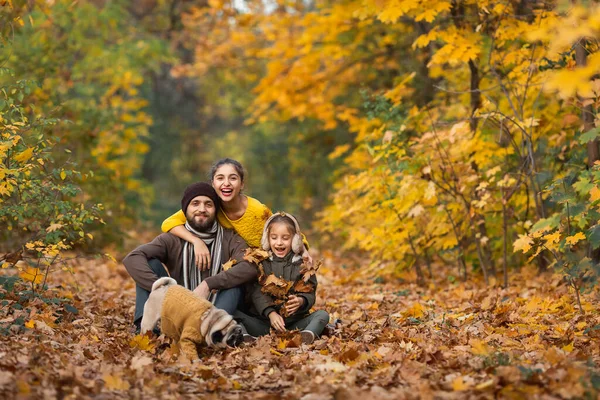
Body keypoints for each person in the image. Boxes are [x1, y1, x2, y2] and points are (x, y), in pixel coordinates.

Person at [123, 182, 257, 330]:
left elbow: (249, 266)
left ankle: (213, 330)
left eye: (208, 204)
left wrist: (209, 284)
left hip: (217, 310)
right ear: (185, 209)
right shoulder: (172, 239)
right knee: (150, 263)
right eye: (195, 203)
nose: (202, 209)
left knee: (234, 282)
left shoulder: (231, 238)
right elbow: (133, 258)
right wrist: (167, 292)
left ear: (216, 210)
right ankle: (147, 330)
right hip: (179, 308)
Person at [160, 158, 311, 270]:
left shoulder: (257, 210)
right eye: (220, 178)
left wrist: (303, 250)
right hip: (235, 269)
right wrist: (196, 241)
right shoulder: (209, 208)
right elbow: (169, 223)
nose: (226, 183)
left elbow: (283, 227)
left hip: (268, 268)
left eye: (233, 178)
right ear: (213, 184)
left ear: (242, 184)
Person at [233, 212, 329, 344]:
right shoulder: (261, 263)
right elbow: (256, 292)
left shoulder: (302, 264)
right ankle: (247, 337)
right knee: (232, 312)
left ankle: (304, 337)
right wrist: (271, 313)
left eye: (285, 238)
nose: (279, 243)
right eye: (274, 238)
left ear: (295, 240)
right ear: (267, 240)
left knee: (322, 315)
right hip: (264, 324)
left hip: (293, 324)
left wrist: (301, 301)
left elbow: (310, 292)